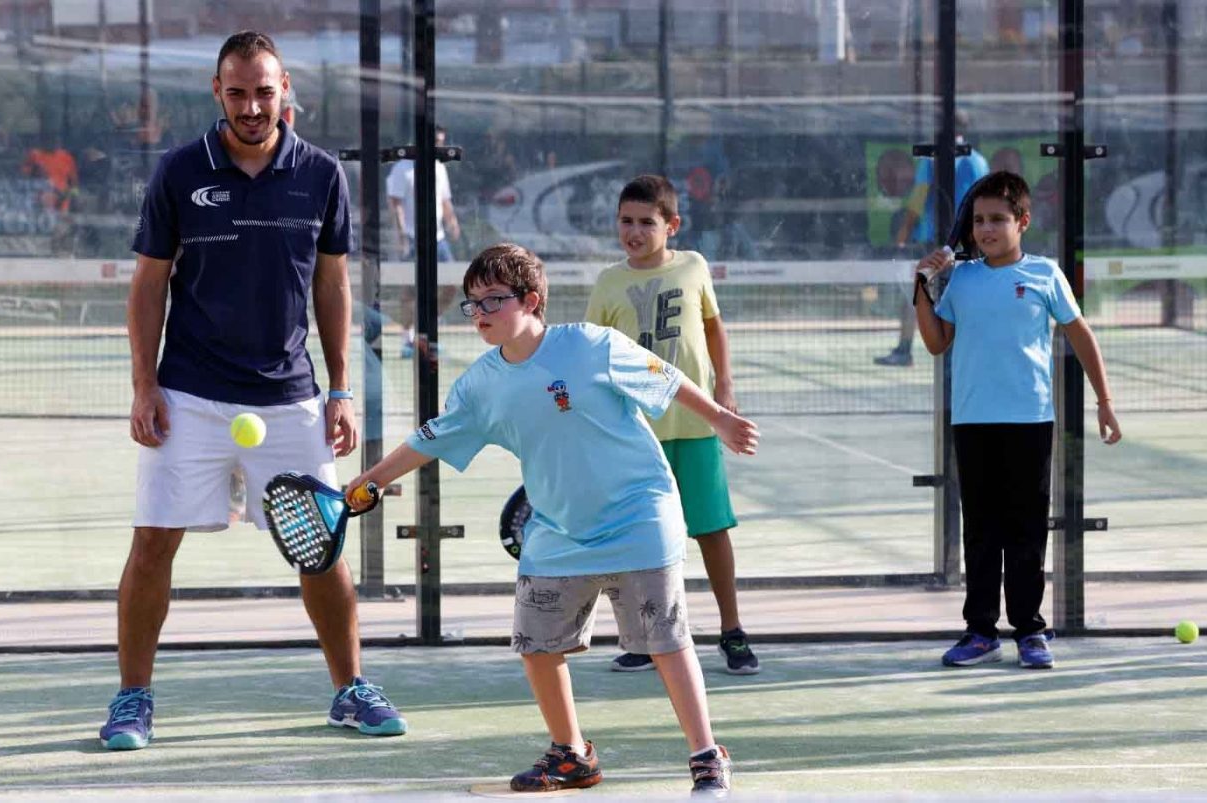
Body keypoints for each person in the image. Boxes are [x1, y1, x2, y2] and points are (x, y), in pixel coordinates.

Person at [344, 243, 758, 795]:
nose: (480, 314)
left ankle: (707, 755)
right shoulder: (479, 386)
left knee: (665, 641)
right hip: (558, 533)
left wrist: (722, 420)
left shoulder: (590, 345)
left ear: (532, 300)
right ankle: (572, 755)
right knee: (537, 646)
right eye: (471, 304)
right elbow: (428, 439)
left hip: (640, 516)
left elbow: (666, 380)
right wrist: (370, 480)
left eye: (492, 300)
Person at [100, 30, 406, 751]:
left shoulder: (322, 174)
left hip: (291, 397)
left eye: (264, 91)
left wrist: (340, 388)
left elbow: (332, 284)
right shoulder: (180, 173)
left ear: (285, 89)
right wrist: (144, 385)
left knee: (321, 548)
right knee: (152, 546)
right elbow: (149, 285)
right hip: (191, 393)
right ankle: (132, 698)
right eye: (237, 92)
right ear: (217, 92)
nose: (251, 106)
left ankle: (350, 688)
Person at [912, 171, 1123, 670]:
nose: (986, 229)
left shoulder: (1046, 275)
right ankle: (980, 632)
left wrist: (1105, 399)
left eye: (998, 220)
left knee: (1026, 529)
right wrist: (921, 284)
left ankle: (1030, 630)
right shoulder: (959, 279)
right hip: (973, 423)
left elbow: (1080, 334)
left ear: (1022, 222)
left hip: (1030, 421)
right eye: (980, 221)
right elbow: (936, 342)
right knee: (981, 530)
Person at [584, 174, 759, 676]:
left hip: (696, 426)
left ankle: (732, 631)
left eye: (646, 222)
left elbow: (712, 327)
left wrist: (724, 388)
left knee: (710, 529)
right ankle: (646, 634)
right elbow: (597, 355)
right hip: (636, 434)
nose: (634, 232)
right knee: (639, 536)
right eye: (626, 221)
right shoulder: (608, 283)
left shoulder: (694, 267)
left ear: (672, 225)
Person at [876, 112, 989, 367]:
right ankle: (962, 352)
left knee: (918, 293)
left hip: (935, 242)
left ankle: (904, 350)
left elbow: (918, 200)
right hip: (969, 242)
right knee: (963, 295)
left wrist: (903, 234)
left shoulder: (932, 160)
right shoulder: (979, 161)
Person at [386, 125, 461, 358]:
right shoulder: (402, 168)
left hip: (438, 240)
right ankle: (407, 340)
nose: (440, 145)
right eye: (436, 140)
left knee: (452, 283)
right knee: (410, 291)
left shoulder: (439, 167)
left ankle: (429, 329)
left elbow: (445, 200)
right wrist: (401, 236)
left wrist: (453, 223)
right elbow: (395, 203)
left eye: (442, 140)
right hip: (412, 238)